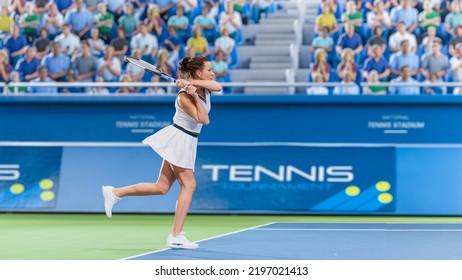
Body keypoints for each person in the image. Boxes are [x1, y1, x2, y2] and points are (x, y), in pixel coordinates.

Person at [102, 56, 222, 249]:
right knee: (189, 185)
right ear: (199, 72)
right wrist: (191, 93)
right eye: (209, 69)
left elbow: (217, 86)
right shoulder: (184, 97)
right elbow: (204, 119)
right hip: (180, 139)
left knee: (162, 187)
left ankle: (114, 192)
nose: (212, 73)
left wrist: (191, 82)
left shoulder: (205, 87)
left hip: (187, 140)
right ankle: (175, 235)